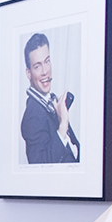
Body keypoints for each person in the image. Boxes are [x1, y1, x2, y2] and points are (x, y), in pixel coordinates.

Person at [20, 33, 80, 164]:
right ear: (28, 73)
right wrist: (63, 124)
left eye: (47, 61)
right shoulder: (32, 116)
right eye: (37, 66)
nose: (45, 71)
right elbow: (39, 165)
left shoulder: (51, 100)